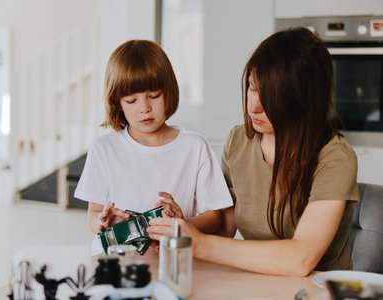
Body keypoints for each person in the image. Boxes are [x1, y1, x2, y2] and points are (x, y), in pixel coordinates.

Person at [148, 27, 359, 277]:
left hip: (320, 287)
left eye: (270, 96)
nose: (254, 106)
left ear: (302, 100)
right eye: (251, 87)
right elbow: (224, 226)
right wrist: (180, 228)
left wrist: (199, 243)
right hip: (257, 279)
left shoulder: (334, 157)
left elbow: (301, 259)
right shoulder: (238, 141)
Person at [74, 39, 233, 255]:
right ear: (117, 103)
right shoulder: (104, 148)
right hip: (114, 264)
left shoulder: (194, 147)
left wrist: (181, 224)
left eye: (154, 96)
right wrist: (102, 222)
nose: (145, 108)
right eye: (131, 100)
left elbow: (214, 217)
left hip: (171, 262)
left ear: (168, 92)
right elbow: (93, 215)